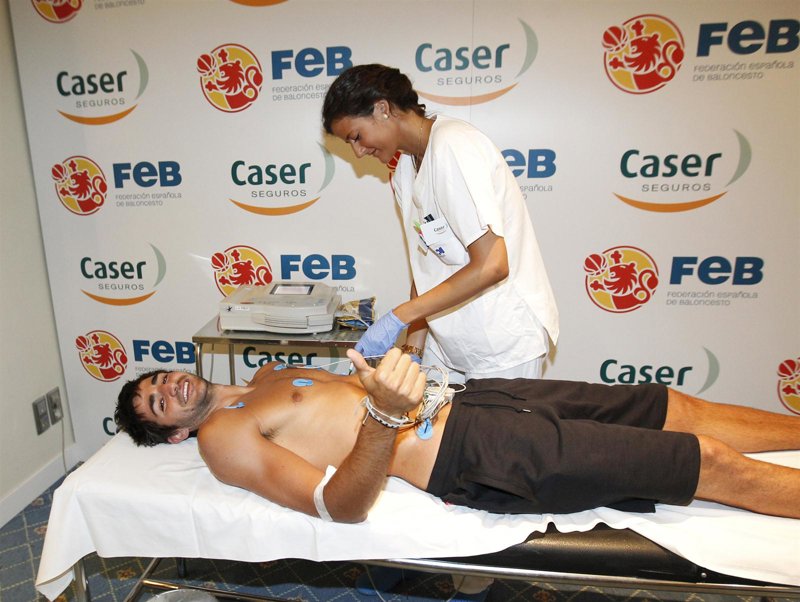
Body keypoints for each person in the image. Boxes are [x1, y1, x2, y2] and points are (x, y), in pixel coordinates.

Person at [115, 348, 800, 525]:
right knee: (706, 462)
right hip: (469, 452)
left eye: (157, 380)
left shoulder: (268, 375)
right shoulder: (222, 436)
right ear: (173, 436)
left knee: (672, 406)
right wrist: (386, 417)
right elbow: (339, 507)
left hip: (478, 397)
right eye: (156, 404)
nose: (166, 387)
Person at [322, 64, 559, 383]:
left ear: (382, 109)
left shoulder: (453, 146)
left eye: (356, 137)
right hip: (450, 344)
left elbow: (492, 264)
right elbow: (426, 265)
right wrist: (413, 349)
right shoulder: (405, 168)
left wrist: (399, 316)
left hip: (501, 343)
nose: (359, 151)